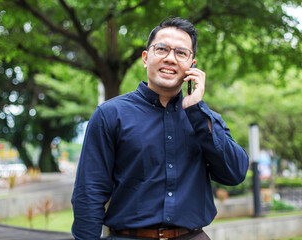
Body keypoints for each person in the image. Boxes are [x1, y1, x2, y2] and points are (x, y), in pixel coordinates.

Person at [71, 17, 249, 240]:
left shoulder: (204, 119)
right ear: (146, 58)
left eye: (181, 53)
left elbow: (235, 173)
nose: (170, 59)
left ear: (192, 65)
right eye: (162, 49)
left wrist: (196, 111)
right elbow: (89, 193)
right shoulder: (109, 115)